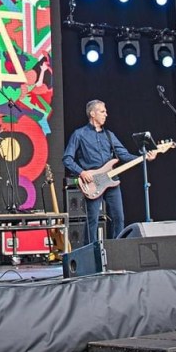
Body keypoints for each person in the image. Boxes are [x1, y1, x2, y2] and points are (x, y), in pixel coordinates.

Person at [63, 100, 156, 244]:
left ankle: (117, 249)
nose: (106, 114)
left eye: (105, 111)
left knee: (119, 217)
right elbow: (67, 159)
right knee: (92, 219)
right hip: (92, 182)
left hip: (111, 181)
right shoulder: (79, 134)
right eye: (102, 111)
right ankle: (90, 251)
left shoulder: (109, 135)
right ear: (92, 114)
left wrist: (144, 157)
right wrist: (82, 172)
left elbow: (124, 155)